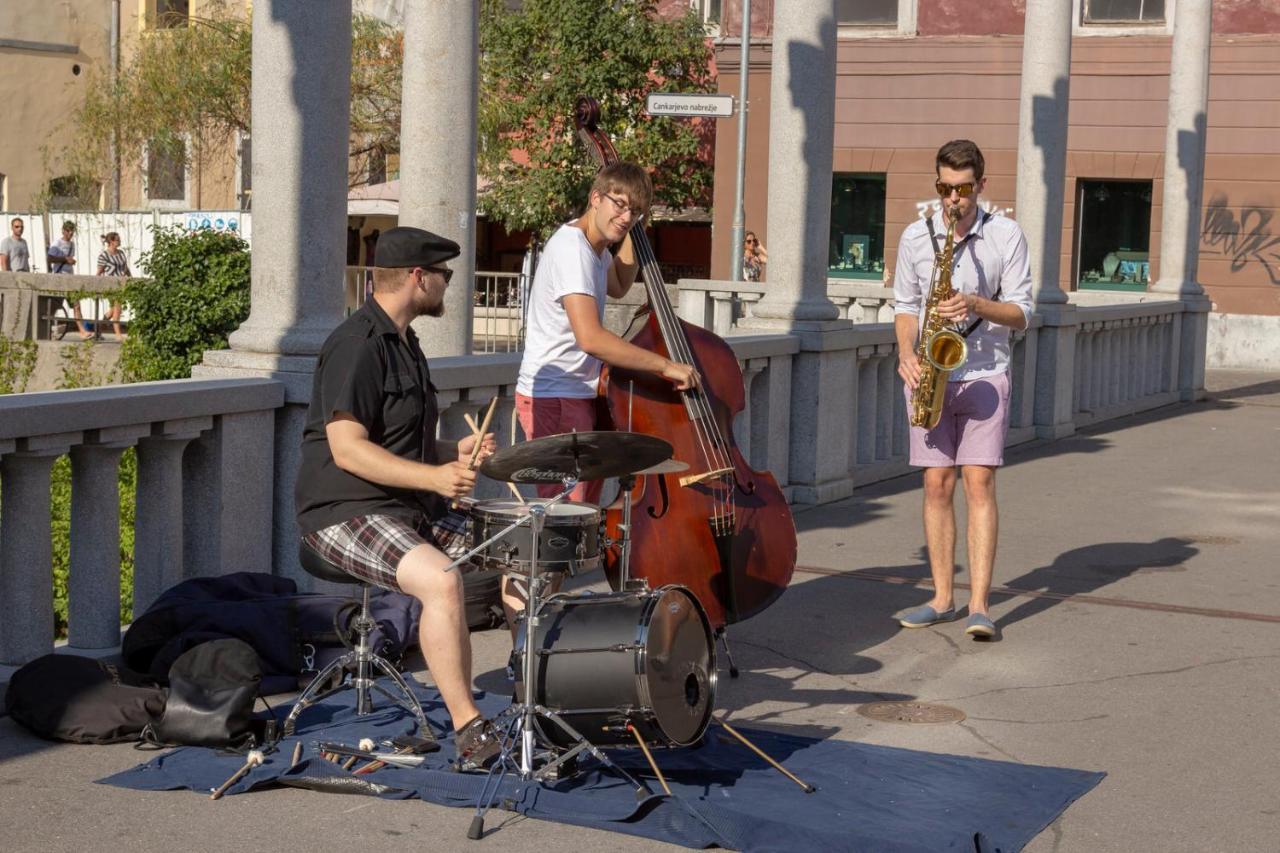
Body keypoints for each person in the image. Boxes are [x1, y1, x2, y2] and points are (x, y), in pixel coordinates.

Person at [294, 226, 502, 771]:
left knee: (520, 545)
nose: (447, 286)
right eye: (445, 277)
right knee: (442, 579)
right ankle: (468, 727)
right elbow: (348, 450)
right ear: (418, 277)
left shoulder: (406, 343)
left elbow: (402, 445)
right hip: (344, 511)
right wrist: (435, 479)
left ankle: (533, 702)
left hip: (402, 507)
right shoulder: (357, 345)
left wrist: (449, 452)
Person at [510, 161, 698, 625]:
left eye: (634, 210)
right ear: (595, 197)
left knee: (570, 525)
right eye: (619, 204)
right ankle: (523, 627)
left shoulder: (595, 250)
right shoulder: (572, 247)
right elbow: (591, 338)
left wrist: (634, 230)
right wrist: (665, 364)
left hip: (579, 395)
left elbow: (618, 283)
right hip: (554, 397)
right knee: (553, 527)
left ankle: (541, 623)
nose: (625, 215)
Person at [891, 139, 1033, 639]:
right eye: (944, 188)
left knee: (978, 482)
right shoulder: (915, 236)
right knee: (936, 484)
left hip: (984, 372)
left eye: (963, 189)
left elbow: (1021, 313)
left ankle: (979, 606)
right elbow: (905, 306)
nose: (954, 199)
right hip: (930, 371)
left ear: (981, 186)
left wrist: (975, 302)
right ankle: (941, 597)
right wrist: (907, 353)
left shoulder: (1006, 236)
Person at [95, 232, 130, 339]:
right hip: (111, 285)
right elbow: (99, 271)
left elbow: (125, 267)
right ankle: (118, 334)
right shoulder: (104, 255)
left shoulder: (121, 253)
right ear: (111, 242)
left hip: (122, 284)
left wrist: (130, 277)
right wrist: (96, 285)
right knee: (118, 308)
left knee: (113, 310)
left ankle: (98, 328)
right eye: (117, 240)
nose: (120, 241)